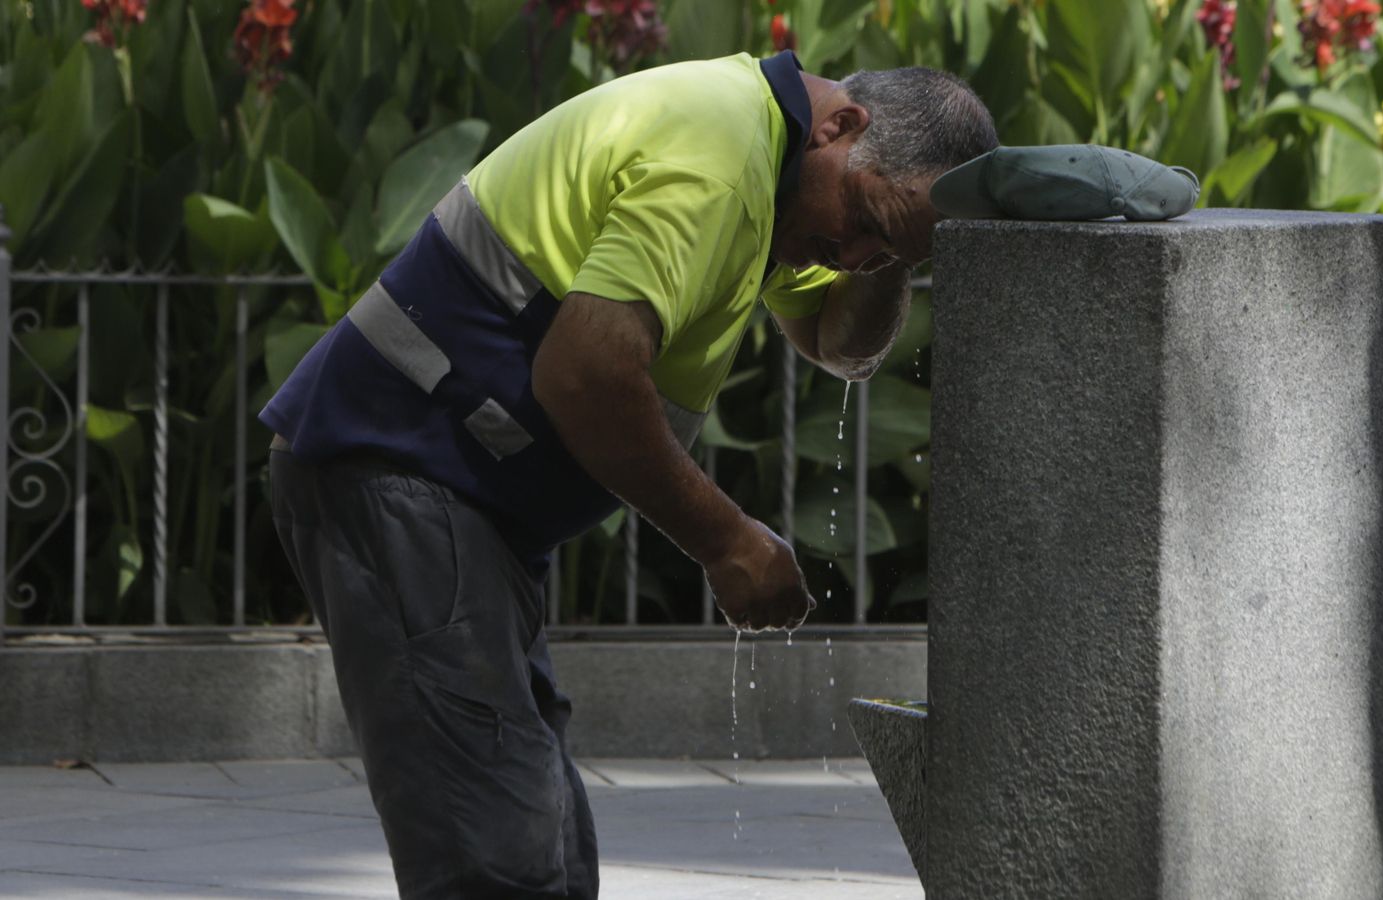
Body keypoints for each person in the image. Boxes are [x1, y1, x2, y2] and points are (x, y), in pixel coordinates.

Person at [264, 49, 996, 899]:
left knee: (547, 857)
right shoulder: (719, 157)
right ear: (839, 126)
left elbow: (841, 344)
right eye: (863, 219)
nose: (848, 254)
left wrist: (899, 241)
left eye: (878, 252)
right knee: (500, 860)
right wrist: (726, 541)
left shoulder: (780, 171)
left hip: (453, 497)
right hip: (396, 464)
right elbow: (585, 374)